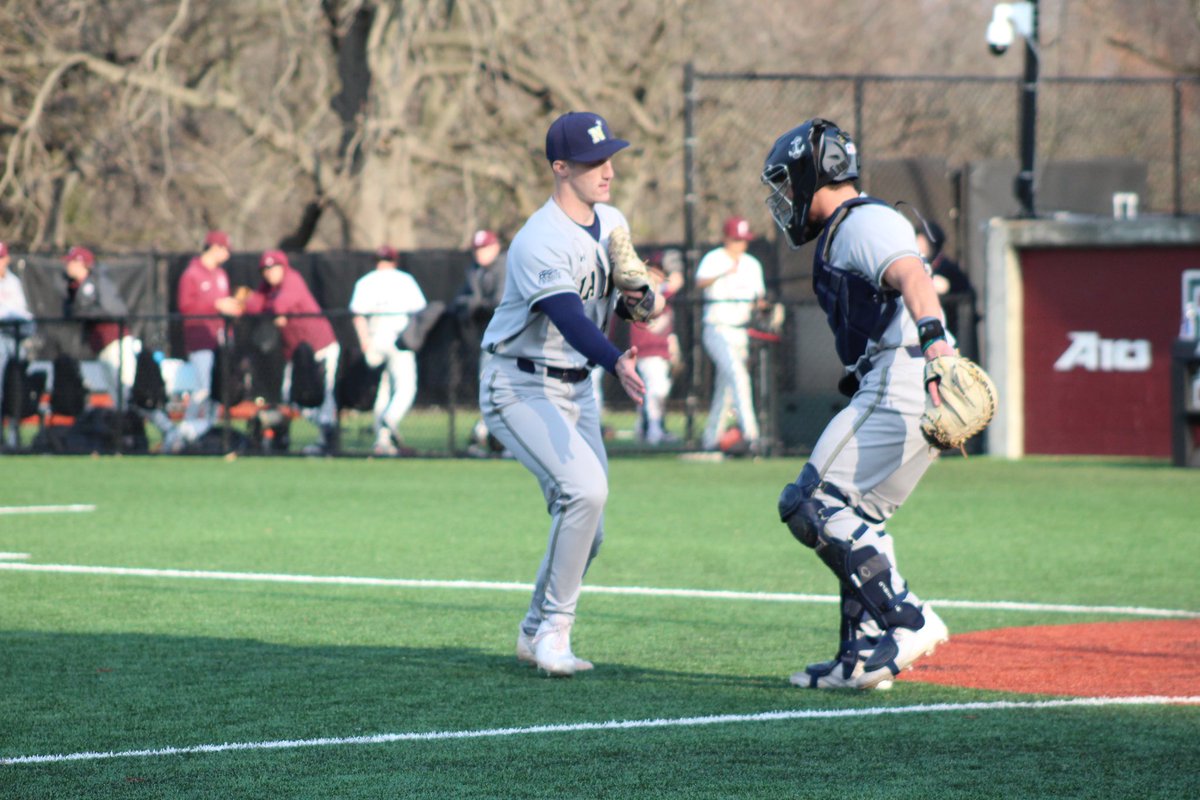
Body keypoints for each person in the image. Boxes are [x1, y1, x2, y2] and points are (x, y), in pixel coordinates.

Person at [761, 117, 951, 690]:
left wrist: (936, 341)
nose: (787, 197)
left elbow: (912, 273)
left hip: (902, 376)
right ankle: (862, 652)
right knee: (854, 518)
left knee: (811, 505)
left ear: (812, 173)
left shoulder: (860, 221)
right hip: (906, 380)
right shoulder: (855, 224)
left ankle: (908, 620)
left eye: (790, 183)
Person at [479, 111, 646, 677]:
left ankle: (532, 631)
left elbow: (612, 303)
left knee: (588, 525)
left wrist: (638, 301)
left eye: (610, 158)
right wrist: (616, 359)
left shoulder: (612, 219)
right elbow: (570, 317)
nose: (608, 171)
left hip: (576, 387)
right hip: (518, 384)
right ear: (560, 168)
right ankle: (555, 629)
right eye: (593, 162)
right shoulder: (537, 240)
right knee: (585, 491)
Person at [58, 245, 175, 437]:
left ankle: (169, 431)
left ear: (82, 264)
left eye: (71, 262)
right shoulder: (76, 287)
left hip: (117, 344)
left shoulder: (97, 282)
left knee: (132, 395)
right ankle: (130, 438)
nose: (68, 267)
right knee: (119, 400)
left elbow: (117, 310)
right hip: (102, 348)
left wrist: (88, 313)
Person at [239, 250, 341, 454]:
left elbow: (280, 305)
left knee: (323, 394)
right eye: (265, 269)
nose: (269, 272)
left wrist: (266, 309)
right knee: (290, 395)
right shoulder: (268, 288)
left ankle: (328, 438)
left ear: (284, 267)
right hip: (296, 352)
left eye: (274, 267)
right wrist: (244, 304)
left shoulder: (292, 280)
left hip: (319, 346)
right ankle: (326, 431)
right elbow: (255, 304)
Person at [695, 215, 767, 452]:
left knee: (726, 387)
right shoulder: (714, 259)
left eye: (743, 240)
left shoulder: (752, 264)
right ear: (726, 238)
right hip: (718, 328)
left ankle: (709, 439)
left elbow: (759, 299)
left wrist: (765, 310)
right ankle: (752, 434)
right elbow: (700, 282)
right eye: (736, 239)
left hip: (741, 331)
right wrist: (725, 272)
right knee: (738, 377)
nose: (740, 245)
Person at [350, 245, 427, 455]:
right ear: (395, 261)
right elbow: (420, 310)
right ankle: (390, 419)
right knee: (405, 388)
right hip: (398, 338)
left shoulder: (366, 281)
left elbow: (358, 315)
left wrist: (365, 342)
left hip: (375, 338)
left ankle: (381, 440)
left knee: (384, 389)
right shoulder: (404, 280)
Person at [170, 230, 241, 451]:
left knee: (217, 391)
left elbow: (224, 305)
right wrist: (216, 306)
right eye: (225, 249)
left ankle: (202, 433)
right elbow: (185, 308)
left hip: (221, 340)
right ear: (214, 247)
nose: (227, 255)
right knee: (203, 390)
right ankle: (186, 435)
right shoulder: (192, 274)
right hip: (200, 340)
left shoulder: (220, 275)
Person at [628, 249, 683, 445]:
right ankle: (654, 430)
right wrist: (675, 273)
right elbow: (674, 284)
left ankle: (646, 428)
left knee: (654, 390)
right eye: (654, 270)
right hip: (646, 351)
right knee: (657, 390)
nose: (658, 275)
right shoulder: (642, 289)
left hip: (660, 351)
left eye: (661, 271)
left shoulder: (660, 293)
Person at [915, 221, 975, 345]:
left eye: (922, 241)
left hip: (951, 329)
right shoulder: (916, 266)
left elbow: (966, 293)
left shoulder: (947, 267)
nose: (918, 245)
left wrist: (947, 287)